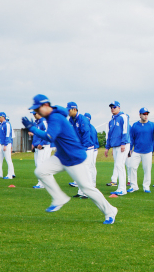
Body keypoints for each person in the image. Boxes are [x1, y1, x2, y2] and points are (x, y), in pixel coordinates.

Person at [22, 94, 118, 224]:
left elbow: (50, 136)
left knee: (87, 188)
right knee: (40, 172)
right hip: (62, 157)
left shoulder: (55, 117)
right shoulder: (52, 116)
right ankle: (59, 198)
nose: (36, 112)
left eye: (37, 109)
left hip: (75, 158)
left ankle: (110, 211)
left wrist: (32, 128)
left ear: (45, 105)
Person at [128, 108, 154, 193]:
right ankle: (134, 186)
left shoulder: (152, 125)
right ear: (140, 115)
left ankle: (146, 186)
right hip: (136, 151)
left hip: (148, 151)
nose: (145, 115)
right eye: (144, 114)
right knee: (132, 167)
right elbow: (131, 138)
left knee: (147, 169)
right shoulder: (135, 125)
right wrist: (130, 149)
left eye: (147, 114)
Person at [67, 102, 95, 198]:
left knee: (86, 170)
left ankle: (88, 192)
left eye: (69, 110)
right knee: (79, 170)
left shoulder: (82, 119)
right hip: (78, 148)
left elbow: (86, 135)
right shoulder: (71, 120)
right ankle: (81, 192)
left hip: (86, 148)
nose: (68, 111)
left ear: (75, 109)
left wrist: (82, 148)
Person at [104, 101, 130, 196]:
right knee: (118, 165)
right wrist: (107, 147)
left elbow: (125, 130)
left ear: (119, 107)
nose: (112, 109)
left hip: (123, 144)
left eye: (114, 107)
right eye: (111, 107)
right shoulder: (111, 121)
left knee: (120, 165)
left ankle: (122, 189)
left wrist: (123, 143)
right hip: (115, 145)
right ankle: (120, 187)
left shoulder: (123, 117)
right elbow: (109, 135)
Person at [31, 111, 51, 189]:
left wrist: (42, 143)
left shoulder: (44, 122)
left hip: (44, 146)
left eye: (34, 114)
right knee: (37, 164)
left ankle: (42, 183)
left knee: (41, 164)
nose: (34, 115)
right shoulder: (37, 122)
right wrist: (33, 144)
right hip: (37, 146)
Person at [0, 112, 16, 180]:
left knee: (8, 159)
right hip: (1, 144)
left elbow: (7, 135)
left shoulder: (7, 124)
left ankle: (10, 174)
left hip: (5, 144)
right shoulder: (0, 125)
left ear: (3, 117)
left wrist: (6, 145)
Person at [85, 113, 99, 187]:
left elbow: (92, 140)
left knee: (91, 166)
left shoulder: (91, 128)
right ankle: (91, 183)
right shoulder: (89, 127)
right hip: (91, 148)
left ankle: (92, 183)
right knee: (90, 166)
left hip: (92, 149)